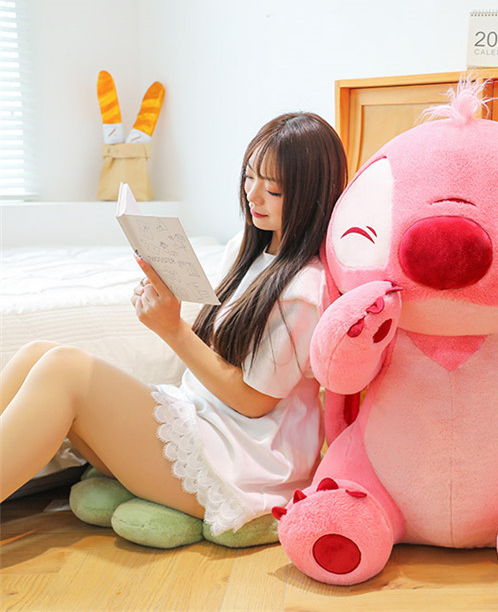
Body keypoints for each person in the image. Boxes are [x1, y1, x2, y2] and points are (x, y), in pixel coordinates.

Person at [0, 112, 348, 537]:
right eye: (249, 177)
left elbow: (253, 401)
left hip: (243, 459)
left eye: (273, 189)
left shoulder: (304, 291)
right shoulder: (245, 247)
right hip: (198, 417)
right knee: (37, 353)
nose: (253, 195)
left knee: (64, 369)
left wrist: (172, 329)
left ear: (311, 196)